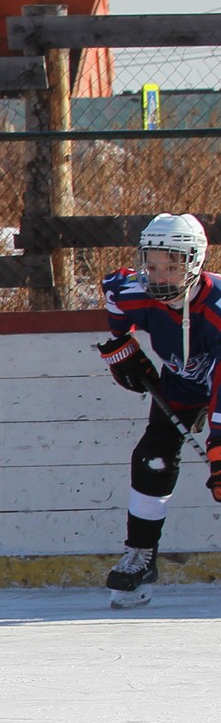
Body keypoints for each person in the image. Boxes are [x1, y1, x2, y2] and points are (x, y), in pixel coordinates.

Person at [92, 213, 221, 608]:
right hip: (182, 384)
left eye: (172, 265)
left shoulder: (217, 307)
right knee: (152, 458)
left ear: (195, 262)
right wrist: (121, 348)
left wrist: (218, 448)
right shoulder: (134, 291)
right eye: (152, 265)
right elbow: (116, 302)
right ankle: (140, 556)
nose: (160, 275)